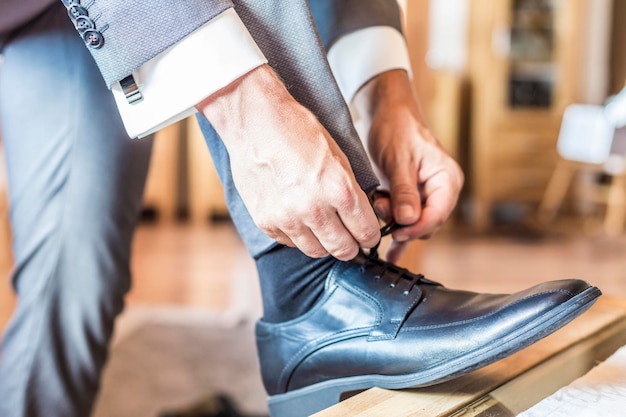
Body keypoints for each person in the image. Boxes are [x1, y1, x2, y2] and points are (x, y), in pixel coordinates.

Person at [0, 1, 601, 417]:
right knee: (72, 282)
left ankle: (310, 303)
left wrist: (386, 93)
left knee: (76, 284)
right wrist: (246, 108)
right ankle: (311, 291)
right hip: (35, 20)